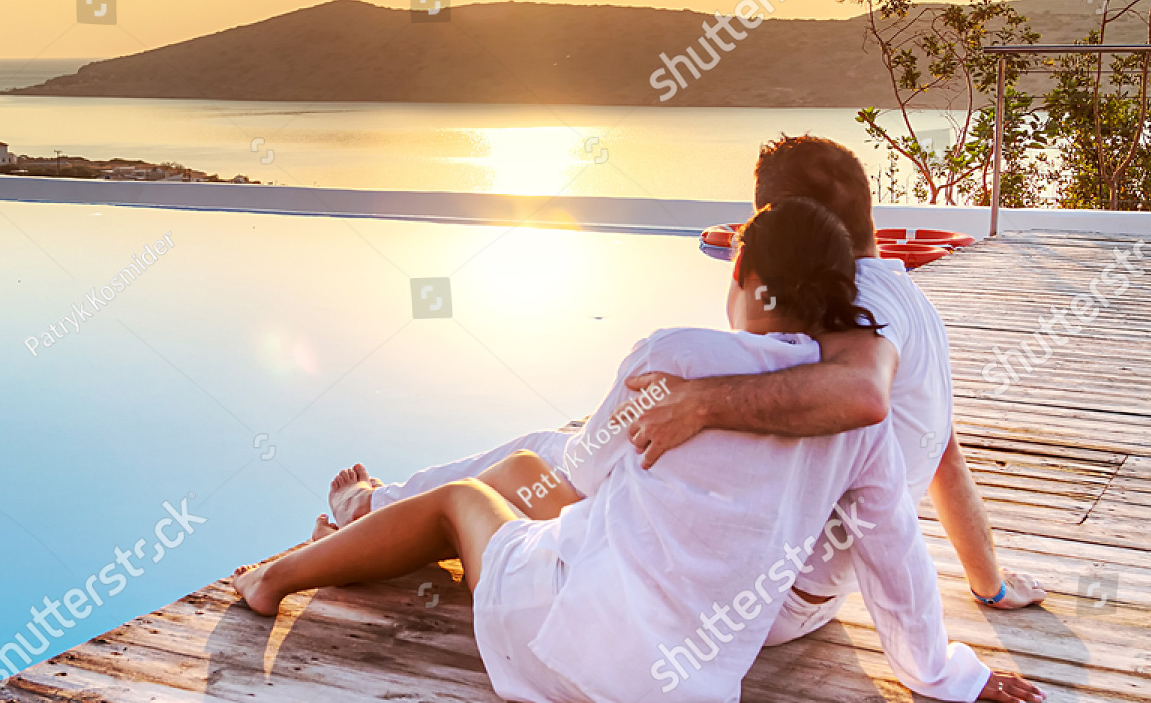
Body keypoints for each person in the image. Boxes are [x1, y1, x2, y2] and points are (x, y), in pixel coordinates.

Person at [236, 199, 1041, 703]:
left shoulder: (678, 355)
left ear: (751, 284)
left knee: (467, 499)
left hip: (560, 641)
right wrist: (945, 673)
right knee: (533, 513)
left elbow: (574, 475)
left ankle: (274, 578)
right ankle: (367, 523)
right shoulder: (858, 421)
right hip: (692, 687)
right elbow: (895, 559)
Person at [328, 135, 1045, 646]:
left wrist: (700, 402)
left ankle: (370, 515)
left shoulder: (862, 306)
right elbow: (943, 455)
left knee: (549, 461)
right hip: (807, 595)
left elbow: (862, 395)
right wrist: (989, 584)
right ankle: (388, 513)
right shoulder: (914, 305)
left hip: (758, 601)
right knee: (577, 458)